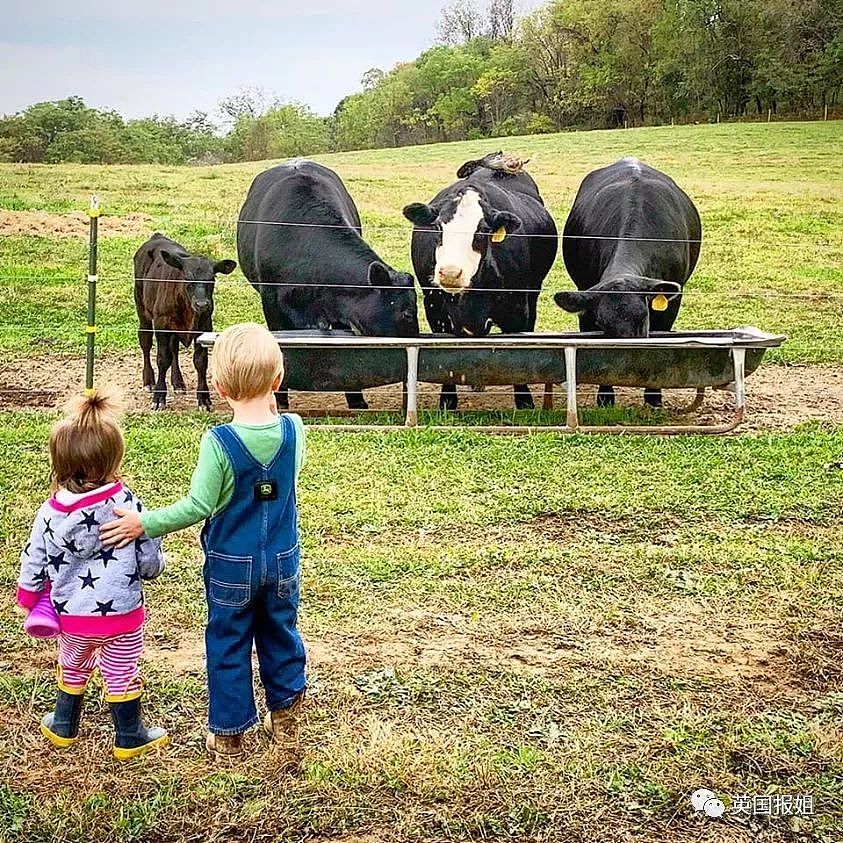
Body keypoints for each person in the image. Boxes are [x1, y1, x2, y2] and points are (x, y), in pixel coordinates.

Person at [101, 322, 307, 761]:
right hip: (284, 561)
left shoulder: (219, 443)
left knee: (229, 641)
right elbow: (285, 480)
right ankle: (285, 716)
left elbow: (197, 505)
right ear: (279, 379)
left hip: (233, 565)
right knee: (281, 633)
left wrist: (144, 523)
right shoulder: (294, 430)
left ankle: (230, 734)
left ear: (216, 386)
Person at [16, 388, 167, 760]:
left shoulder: (50, 512)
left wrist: (28, 596)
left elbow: (34, 558)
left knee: (73, 665)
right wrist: (152, 566)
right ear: (113, 459)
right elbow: (149, 557)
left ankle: (64, 725)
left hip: (72, 617)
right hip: (123, 615)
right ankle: (130, 734)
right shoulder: (127, 505)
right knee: (122, 669)